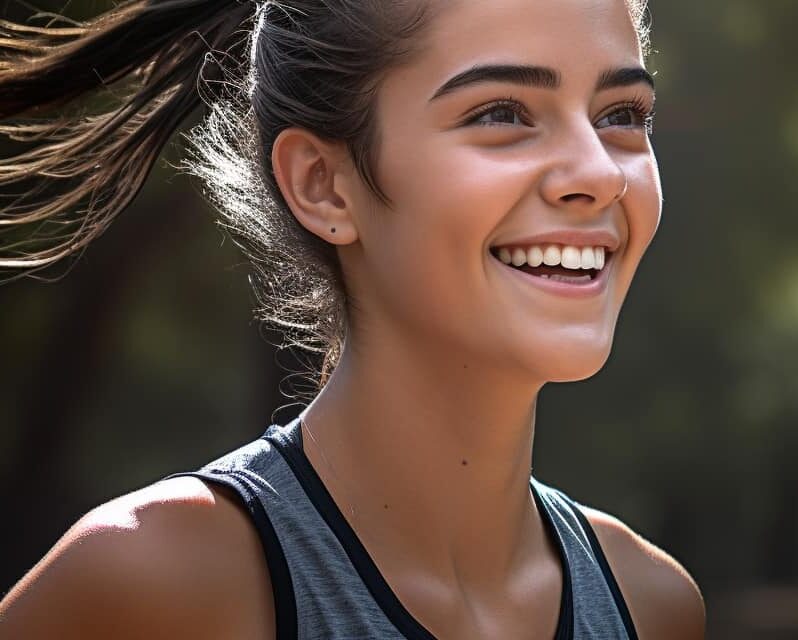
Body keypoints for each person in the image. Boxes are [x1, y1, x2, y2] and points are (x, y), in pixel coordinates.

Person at [0, 0, 706, 638]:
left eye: (622, 116)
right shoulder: (152, 585)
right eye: (501, 114)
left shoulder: (653, 606)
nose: (601, 172)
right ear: (323, 184)